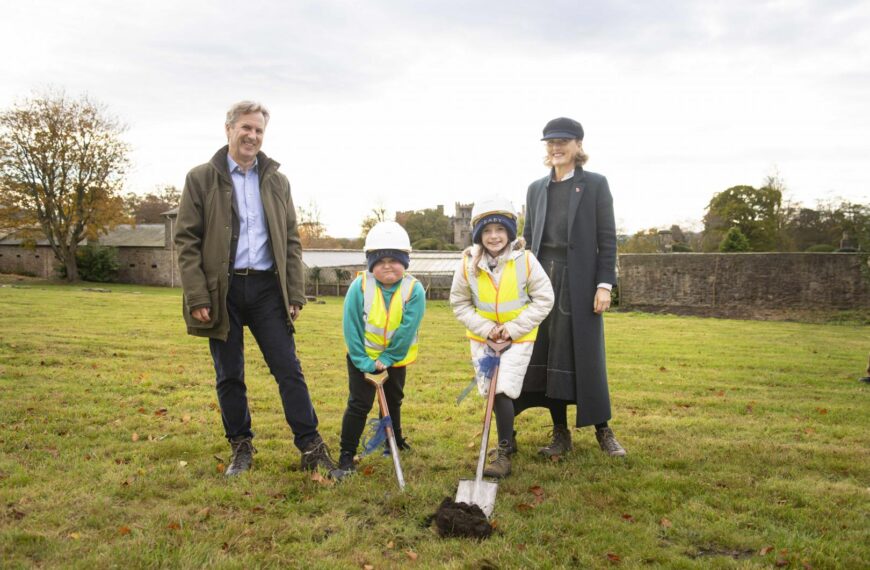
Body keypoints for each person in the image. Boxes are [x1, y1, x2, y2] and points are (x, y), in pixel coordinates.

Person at [174, 100, 337, 477]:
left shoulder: (278, 181)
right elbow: (186, 240)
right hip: (222, 290)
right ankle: (241, 446)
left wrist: (294, 293)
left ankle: (311, 446)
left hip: (267, 290)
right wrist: (197, 294)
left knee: (288, 369)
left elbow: (291, 241)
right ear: (229, 129)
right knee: (229, 373)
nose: (252, 136)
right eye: (245, 128)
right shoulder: (200, 178)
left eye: (258, 130)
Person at [516, 116, 627, 458]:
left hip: (580, 282)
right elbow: (529, 239)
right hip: (542, 282)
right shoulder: (536, 188)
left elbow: (607, 239)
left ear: (578, 145)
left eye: (563, 141)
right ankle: (560, 433)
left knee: (586, 357)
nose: (556, 147)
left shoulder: (595, 184)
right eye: (551, 142)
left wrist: (604, 285)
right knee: (551, 355)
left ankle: (603, 430)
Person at [450, 198, 554, 478]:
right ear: (478, 235)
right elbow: (459, 303)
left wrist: (513, 328)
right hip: (483, 339)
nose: (493, 236)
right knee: (491, 392)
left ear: (509, 231)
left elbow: (544, 298)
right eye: (486, 230)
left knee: (502, 389)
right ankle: (510, 437)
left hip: (518, 339)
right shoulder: (467, 264)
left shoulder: (526, 261)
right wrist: (486, 328)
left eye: (499, 229)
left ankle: (504, 451)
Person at [334, 222, 426, 477]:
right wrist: (363, 361)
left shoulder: (414, 290)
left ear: (405, 262)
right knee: (359, 404)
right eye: (380, 261)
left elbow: (407, 329)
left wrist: (388, 358)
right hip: (361, 357)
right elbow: (351, 326)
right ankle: (346, 453)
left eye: (394, 260)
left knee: (393, 400)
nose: (387, 266)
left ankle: (393, 440)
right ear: (371, 264)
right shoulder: (360, 286)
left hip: (395, 359)